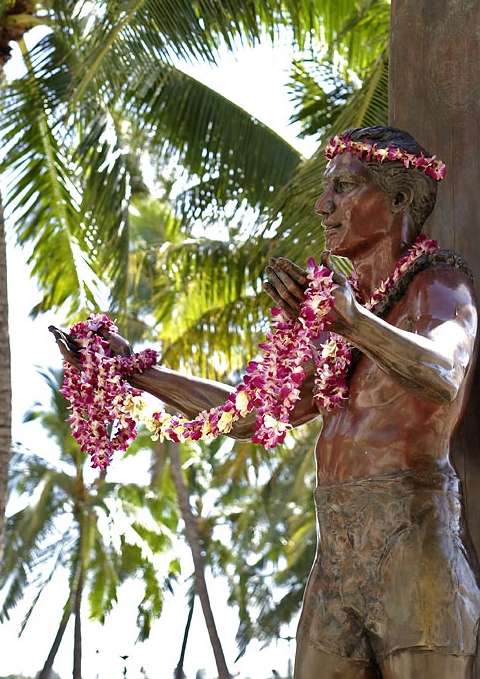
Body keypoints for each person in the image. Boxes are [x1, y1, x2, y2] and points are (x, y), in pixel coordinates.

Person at [52, 126, 480, 678]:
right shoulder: (342, 326)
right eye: (327, 189)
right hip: (337, 556)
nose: (324, 205)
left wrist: (352, 322)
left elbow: (444, 371)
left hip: (414, 541)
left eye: (345, 187)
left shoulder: (438, 286)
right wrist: (136, 371)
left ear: (398, 199)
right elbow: (252, 414)